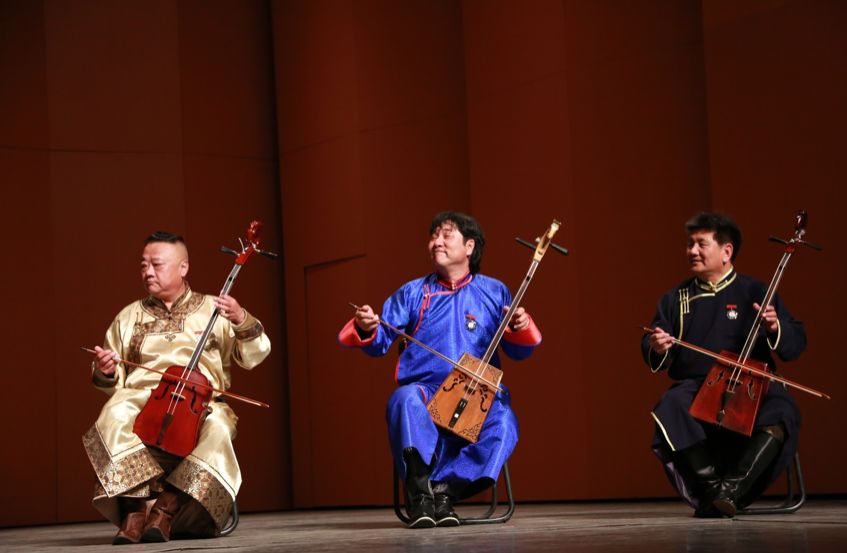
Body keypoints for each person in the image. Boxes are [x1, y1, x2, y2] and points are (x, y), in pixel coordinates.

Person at [338, 211, 542, 528]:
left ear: (470, 246)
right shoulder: (412, 293)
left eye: (447, 235)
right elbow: (379, 341)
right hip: (426, 393)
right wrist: (367, 326)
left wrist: (520, 325)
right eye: (434, 235)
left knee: (503, 420)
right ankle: (420, 494)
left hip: (477, 395)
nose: (437, 241)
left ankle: (447, 491)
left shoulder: (495, 291)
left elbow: (517, 351)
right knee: (405, 400)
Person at [83, 231, 271, 544]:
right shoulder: (128, 316)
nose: (148, 272)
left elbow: (255, 355)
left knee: (219, 428)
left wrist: (240, 318)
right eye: (144, 266)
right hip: (144, 398)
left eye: (156, 265)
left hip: (201, 402)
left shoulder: (215, 308)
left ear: (183, 268)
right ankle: (134, 510)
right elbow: (111, 376)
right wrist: (105, 368)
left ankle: (166, 509)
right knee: (113, 414)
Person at [642, 212, 806, 518]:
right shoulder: (675, 299)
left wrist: (774, 327)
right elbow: (654, 345)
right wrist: (657, 345)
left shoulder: (756, 292)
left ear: (726, 251)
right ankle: (712, 490)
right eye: (689, 244)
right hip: (697, 386)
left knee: (782, 409)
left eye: (701, 244)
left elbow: (796, 342)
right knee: (671, 405)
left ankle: (730, 490)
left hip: (751, 383)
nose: (692, 251)